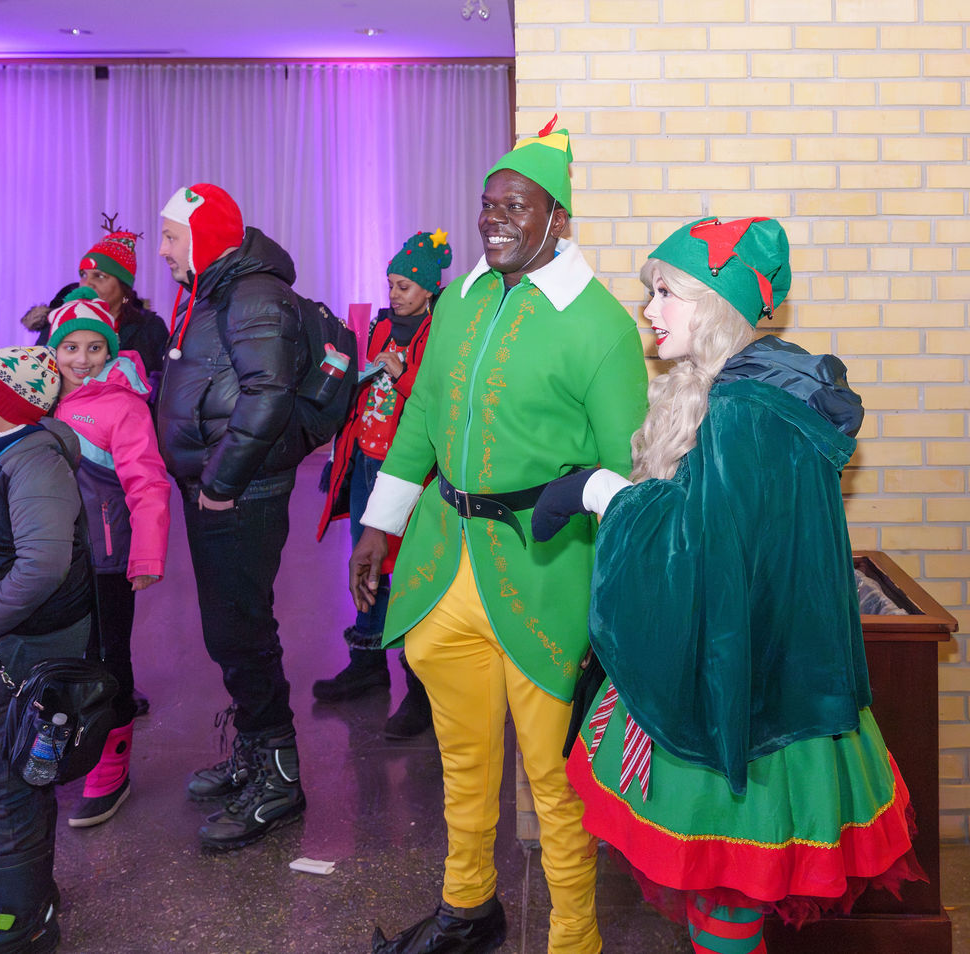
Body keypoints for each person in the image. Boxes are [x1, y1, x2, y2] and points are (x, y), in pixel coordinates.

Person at [532, 216, 925, 954]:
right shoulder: (728, 390)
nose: (649, 310)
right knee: (714, 899)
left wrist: (599, 492)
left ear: (716, 305)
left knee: (726, 899)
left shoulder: (746, 411)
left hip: (743, 706)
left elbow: (702, 555)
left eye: (667, 293)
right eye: (651, 292)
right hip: (733, 674)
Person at [350, 119, 648, 954]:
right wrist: (380, 523)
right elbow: (423, 410)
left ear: (558, 218)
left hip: (545, 575)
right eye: (488, 204)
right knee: (464, 760)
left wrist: (619, 606)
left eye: (516, 205)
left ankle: (574, 939)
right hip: (445, 564)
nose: (495, 219)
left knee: (555, 782)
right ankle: (467, 908)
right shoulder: (462, 299)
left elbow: (629, 476)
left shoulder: (600, 325)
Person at [154, 182, 306, 851]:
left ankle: (279, 779)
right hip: (219, 488)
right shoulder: (216, 288)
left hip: (240, 492)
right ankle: (253, 751)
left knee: (241, 630)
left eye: (171, 237)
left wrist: (219, 481)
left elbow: (267, 393)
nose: (162, 250)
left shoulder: (254, 295)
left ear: (206, 237)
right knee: (230, 629)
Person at [0, 345, 93, 954]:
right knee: (8, 766)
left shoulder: (34, 466)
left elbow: (42, 567)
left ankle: (23, 919)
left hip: (30, 643)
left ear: (7, 406)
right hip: (11, 638)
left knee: (12, 775)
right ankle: (24, 881)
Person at [314, 229, 452, 738]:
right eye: (391, 284)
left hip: (410, 471)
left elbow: (439, 403)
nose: (394, 294)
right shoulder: (380, 327)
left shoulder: (440, 333)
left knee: (411, 574)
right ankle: (367, 664)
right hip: (367, 463)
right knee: (366, 565)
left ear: (429, 289)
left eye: (404, 286)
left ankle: (421, 690)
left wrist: (403, 375)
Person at [47, 288, 171, 827]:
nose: (81, 359)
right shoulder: (40, 397)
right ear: (53, 350)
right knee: (50, 657)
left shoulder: (124, 405)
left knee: (106, 659)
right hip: (48, 559)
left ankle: (110, 766)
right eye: (70, 347)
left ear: (110, 349)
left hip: (105, 560)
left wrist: (145, 556)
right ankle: (50, 753)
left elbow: (148, 484)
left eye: (94, 347)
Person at [21, 218, 169, 381]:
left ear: (123, 286)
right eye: (84, 275)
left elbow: (163, 383)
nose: (87, 283)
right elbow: (37, 377)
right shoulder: (59, 320)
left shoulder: (150, 328)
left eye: (100, 276)